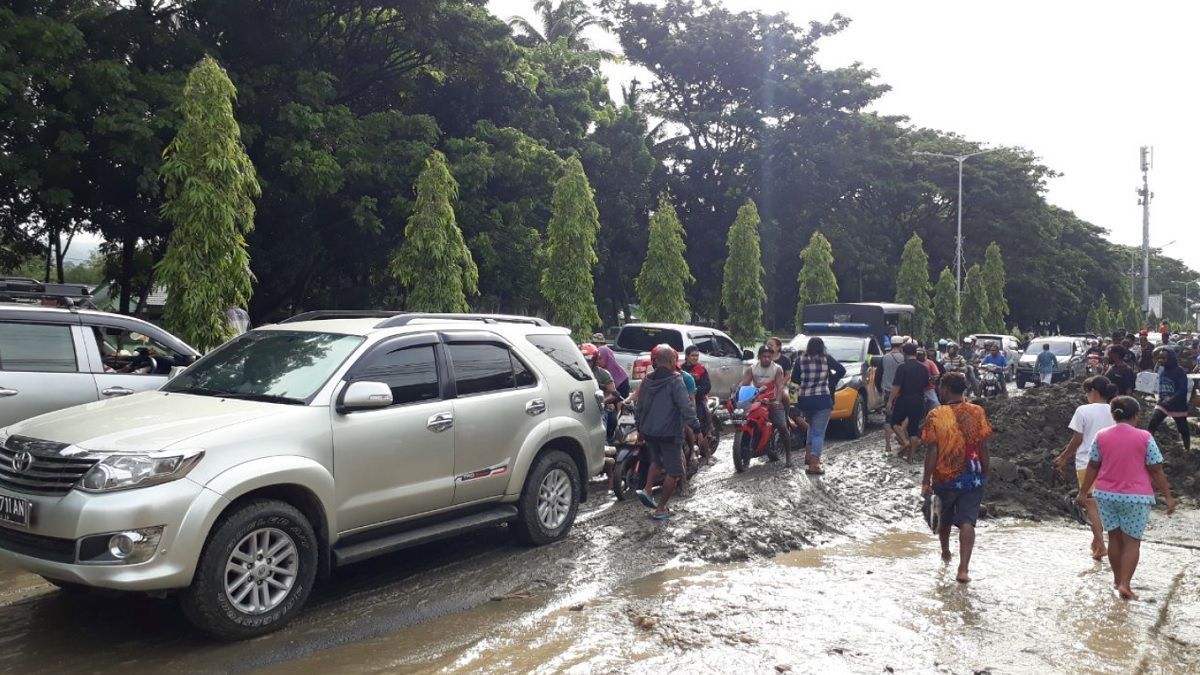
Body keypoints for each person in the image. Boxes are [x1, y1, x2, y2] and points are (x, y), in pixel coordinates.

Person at [1077, 396, 1177, 600]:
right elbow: (1156, 469)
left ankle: (1116, 581)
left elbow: (1093, 465)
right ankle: (1125, 584)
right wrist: (1168, 496)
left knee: (1114, 539)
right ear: (1136, 415)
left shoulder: (1101, 435)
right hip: (1136, 498)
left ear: (1113, 415)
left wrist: (1083, 491)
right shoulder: (1145, 437)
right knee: (1132, 543)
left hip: (1106, 495)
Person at [920, 372, 992, 583]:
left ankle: (945, 553)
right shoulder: (977, 411)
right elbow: (984, 446)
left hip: (944, 477)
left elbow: (931, 451)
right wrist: (985, 473)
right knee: (968, 521)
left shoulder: (935, 415)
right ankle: (963, 570)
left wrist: (926, 481)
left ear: (944, 390)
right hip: (973, 475)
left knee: (944, 518)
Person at [634, 345, 702, 520]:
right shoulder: (675, 381)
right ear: (672, 361)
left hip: (649, 432)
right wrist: (696, 427)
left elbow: (639, 407)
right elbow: (685, 407)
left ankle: (648, 489)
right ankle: (661, 508)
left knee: (656, 461)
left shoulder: (647, 380)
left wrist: (640, 428)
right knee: (674, 471)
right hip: (669, 434)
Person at [1053, 376, 1118, 560]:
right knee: (1103, 504)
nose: (1086, 396)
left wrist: (1063, 457)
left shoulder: (1083, 411)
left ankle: (1101, 544)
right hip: (1111, 463)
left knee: (1090, 505)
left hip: (1087, 463)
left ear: (1094, 392)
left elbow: (1078, 439)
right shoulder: (1115, 410)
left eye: (1087, 392)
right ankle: (1097, 544)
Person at [791, 337, 846, 474]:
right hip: (822, 399)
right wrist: (830, 380)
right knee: (818, 433)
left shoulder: (800, 359)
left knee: (811, 427)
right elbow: (841, 370)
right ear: (822, 347)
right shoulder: (826, 358)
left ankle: (808, 456)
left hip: (805, 400)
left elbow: (794, 380)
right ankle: (814, 464)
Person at [740, 346, 791, 464]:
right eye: (764, 356)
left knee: (782, 426)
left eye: (769, 356)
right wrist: (736, 394)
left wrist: (777, 401)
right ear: (759, 357)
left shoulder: (777, 369)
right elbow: (745, 384)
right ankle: (745, 450)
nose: (767, 359)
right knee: (744, 420)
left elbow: (779, 386)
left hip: (772, 399)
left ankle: (788, 455)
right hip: (757, 398)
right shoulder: (752, 369)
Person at [887, 343, 929, 462]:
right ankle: (910, 458)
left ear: (903, 353)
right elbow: (926, 385)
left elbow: (896, 386)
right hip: (918, 401)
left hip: (904, 399)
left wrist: (890, 401)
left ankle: (905, 442)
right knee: (914, 430)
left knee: (894, 422)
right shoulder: (923, 368)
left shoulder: (902, 367)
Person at [1148, 347, 1191, 450]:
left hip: (1177, 405)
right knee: (1152, 424)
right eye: (1160, 358)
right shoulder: (1162, 370)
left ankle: (1188, 450)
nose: (1160, 360)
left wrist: (1171, 399)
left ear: (1171, 358)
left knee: (1183, 429)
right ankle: (1147, 447)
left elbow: (1182, 389)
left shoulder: (1179, 371)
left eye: (1163, 358)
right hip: (1163, 404)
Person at [872, 337, 907, 455]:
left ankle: (887, 445)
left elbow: (878, 375)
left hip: (887, 392)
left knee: (888, 418)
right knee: (903, 418)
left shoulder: (884, 358)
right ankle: (903, 441)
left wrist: (879, 389)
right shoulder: (904, 358)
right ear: (901, 346)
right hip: (902, 392)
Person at [581, 343, 620, 437]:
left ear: (594, 360)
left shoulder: (603, 374)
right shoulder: (573, 373)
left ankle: (604, 444)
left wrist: (602, 401)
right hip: (580, 408)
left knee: (600, 427)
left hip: (599, 409)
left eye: (589, 360)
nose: (586, 363)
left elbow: (614, 393)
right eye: (583, 360)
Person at [682, 346, 713, 461]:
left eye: (697, 356)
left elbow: (707, 387)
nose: (695, 358)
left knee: (699, 426)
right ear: (687, 356)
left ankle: (708, 456)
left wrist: (694, 393)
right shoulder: (680, 369)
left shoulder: (701, 369)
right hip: (683, 400)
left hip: (699, 400)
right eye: (693, 356)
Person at [592, 333, 630, 398]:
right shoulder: (597, 354)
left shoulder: (604, 351)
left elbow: (613, 394)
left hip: (621, 385)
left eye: (598, 343)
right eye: (594, 343)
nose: (596, 346)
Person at [916, 348, 940, 412]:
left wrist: (931, 378)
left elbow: (937, 374)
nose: (919, 356)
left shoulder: (929, 362)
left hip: (929, 388)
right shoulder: (914, 363)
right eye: (918, 354)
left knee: (936, 404)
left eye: (921, 354)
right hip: (917, 388)